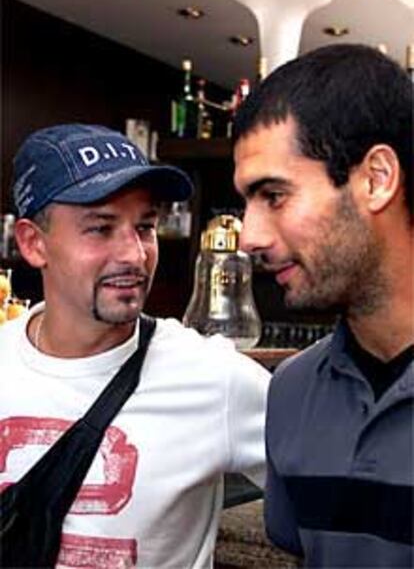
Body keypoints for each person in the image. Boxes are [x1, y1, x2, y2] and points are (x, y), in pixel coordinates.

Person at [0, 123, 270, 568]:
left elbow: (345, 499)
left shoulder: (212, 378)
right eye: (101, 228)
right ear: (33, 243)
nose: (135, 254)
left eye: (145, 227)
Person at [232, 44, 413, 567]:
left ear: (376, 179)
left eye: (274, 195)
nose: (249, 236)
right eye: (246, 201)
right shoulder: (291, 394)